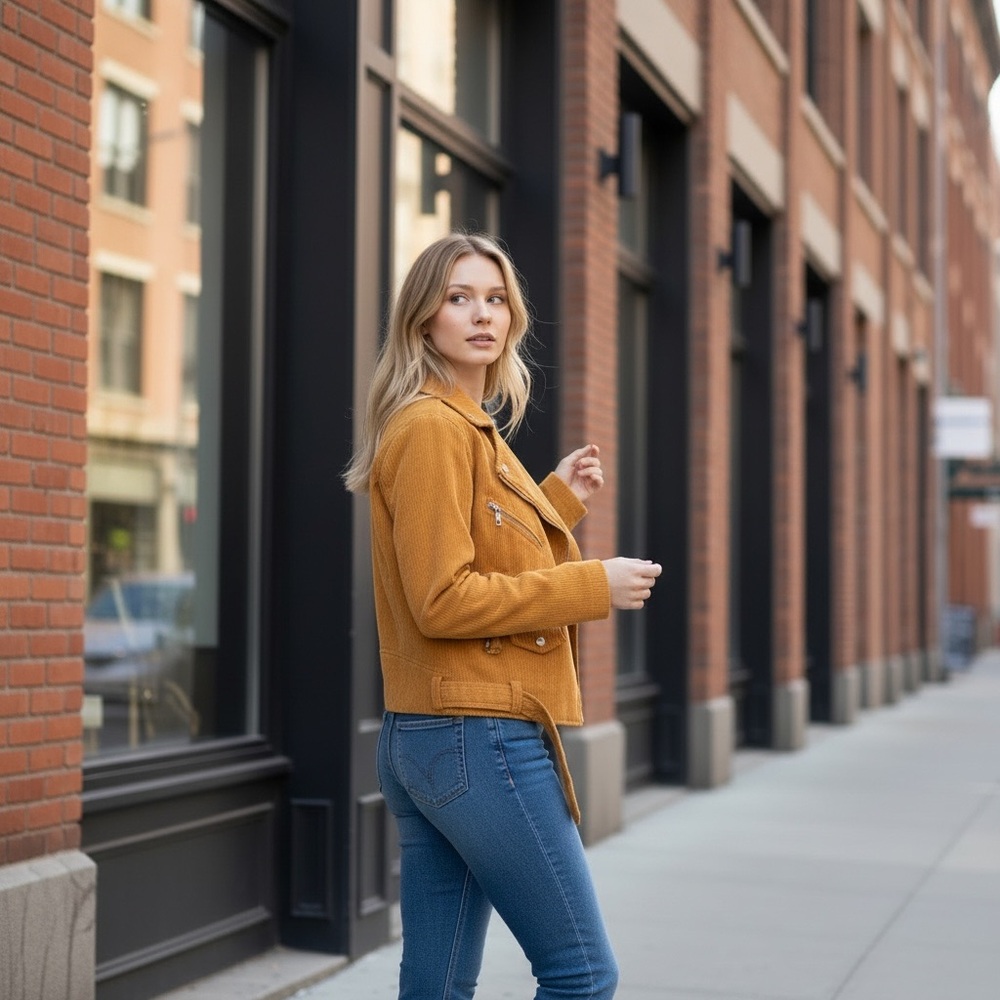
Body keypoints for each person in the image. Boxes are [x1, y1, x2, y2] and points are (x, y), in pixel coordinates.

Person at [344, 232, 661, 999]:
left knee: (438, 985)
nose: (481, 315)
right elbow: (444, 598)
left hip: (437, 732)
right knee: (582, 975)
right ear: (424, 319)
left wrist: (553, 503)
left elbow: (478, 556)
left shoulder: (465, 425)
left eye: (495, 298)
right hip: (473, 735)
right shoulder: (432, 428)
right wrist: (593, 586)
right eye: (459, 298)